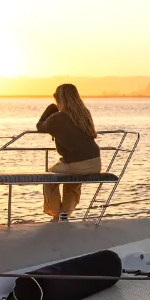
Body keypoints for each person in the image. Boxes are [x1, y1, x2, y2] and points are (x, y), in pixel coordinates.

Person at [36, 83, 101, 221]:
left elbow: (40, 126)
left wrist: (50, 109)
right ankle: (65, 214)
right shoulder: (84, 114)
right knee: (73, 182)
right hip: (95, 162)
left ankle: (55, 214)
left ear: (59, 100)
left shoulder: (57, 118)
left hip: (77, 165)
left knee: (48, 176)